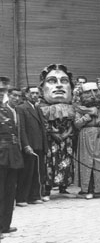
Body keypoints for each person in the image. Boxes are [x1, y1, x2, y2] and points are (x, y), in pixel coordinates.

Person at [39, 64, 76, 198]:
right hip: (51, 141)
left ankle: (63, 187)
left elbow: (73, 123)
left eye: (64, 81)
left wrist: (66, 134)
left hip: (67, 140)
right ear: (42, 88)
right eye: (52, 81)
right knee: (50, 162)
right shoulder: (41, 108)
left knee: (66, 162)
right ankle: (47, 189)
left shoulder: (73, 107)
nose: (59, 85)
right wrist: (55, 134)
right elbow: (43, 124)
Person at [74, 82, 100, 199]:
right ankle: (88, 189)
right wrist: (86, 118)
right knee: (87, 162)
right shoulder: (80, 108)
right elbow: (77, 124)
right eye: (88, 92)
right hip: (85, 135)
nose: (92, 95)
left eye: (95, 91)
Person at [15, 86, 48, 206]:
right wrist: (26, 145)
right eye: (32, 93)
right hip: (29, 145)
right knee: (26, 172)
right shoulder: (22, 108)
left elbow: (43, 128)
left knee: (37, 172)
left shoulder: (38, 108)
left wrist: (45, 145)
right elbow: (21, 129)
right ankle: (21, 198)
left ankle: (34, 196)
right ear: (27, 94)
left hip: (39, 144)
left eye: (36, 93)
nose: (34, 95)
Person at [0, 77, 23, 239]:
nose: (2, 94)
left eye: (3, 91)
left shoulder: (9, 110)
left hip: (12, 155)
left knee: (9, 192)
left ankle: (5, 225)